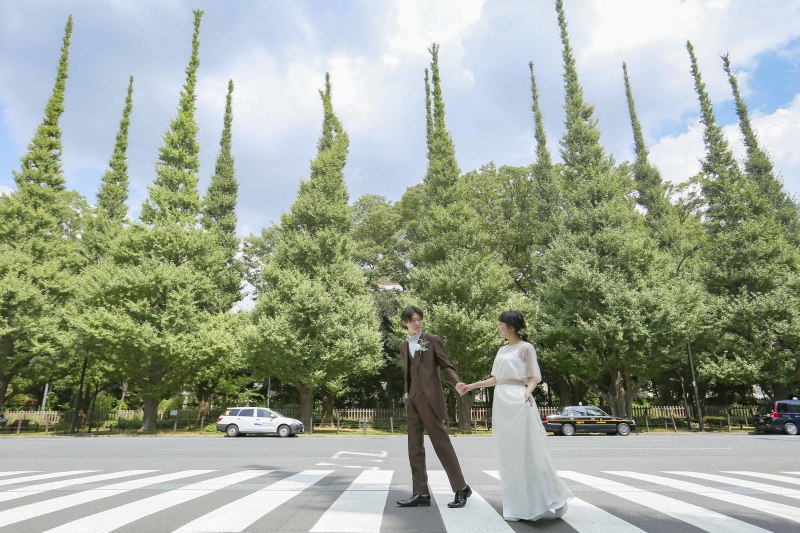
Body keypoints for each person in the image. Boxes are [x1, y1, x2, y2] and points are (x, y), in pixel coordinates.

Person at [458, 310, 571, 521]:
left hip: (520, 400)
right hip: (502, 403)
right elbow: (495, 379)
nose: (498, 327)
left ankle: (557, 499)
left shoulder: (526, 348)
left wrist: (528, 392)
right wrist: (471, 386)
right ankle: (517, 506)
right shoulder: (501, 350)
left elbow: (534, 377)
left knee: (528, 453)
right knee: (509, 455)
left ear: (511, 327)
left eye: (501, 324)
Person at [396, 306, 472, 509]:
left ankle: (461, 488)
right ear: (405, 322)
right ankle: (420, 493)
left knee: (442, 445)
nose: (417, 323)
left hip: (429, 400)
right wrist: (406, 391)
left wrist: (456, 382)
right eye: (413, 320)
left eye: (419, 319)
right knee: (414, 448)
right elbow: (409, 372)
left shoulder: (432, 340)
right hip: (412, 401)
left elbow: (447, 365)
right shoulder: (404, 346)